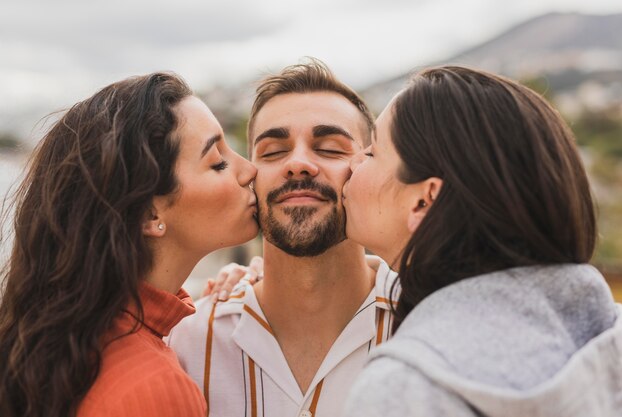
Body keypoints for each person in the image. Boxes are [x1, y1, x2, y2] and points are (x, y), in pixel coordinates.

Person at [341, 66, 622, 416]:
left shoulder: (405, 390)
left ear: (424, 202)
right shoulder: (613, 343)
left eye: (371, 152)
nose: (352, 162)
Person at [0, 72, 258, 417]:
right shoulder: (155, 389)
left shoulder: (61, 348)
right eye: (218, 163)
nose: (249, 170)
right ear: (150, 214)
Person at [168, 59, 399, 417]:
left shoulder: (429, 321)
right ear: (250, 177)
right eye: (273, 152)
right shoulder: (185, 344)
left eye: (330, 147)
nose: (299, 163)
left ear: (367, 169)